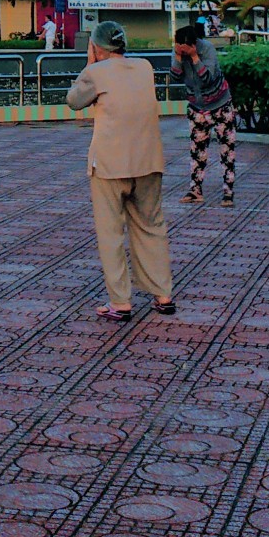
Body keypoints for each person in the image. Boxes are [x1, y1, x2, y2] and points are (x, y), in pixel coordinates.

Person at [69, 19, 174, 319]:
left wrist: (89, 64)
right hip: (148, 161)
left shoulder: (95, 71)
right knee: (151, 226)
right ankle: (162, 294)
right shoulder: (144, 67)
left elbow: (74, 101)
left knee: (111, 232)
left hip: (109, 164)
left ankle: (121, 302)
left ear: (97, 47)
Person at [172, 23, 236, 205]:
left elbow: (208, 77)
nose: (181, 50)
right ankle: (195, 190)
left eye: (185, 48)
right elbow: (175, 76)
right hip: (197, 106)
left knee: (227, 149)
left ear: (193, 44)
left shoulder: (206, 49)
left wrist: (194, 57)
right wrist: (178, 57)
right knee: (197, 150)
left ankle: (228, 191)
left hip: (220, 104)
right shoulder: (177, 51)